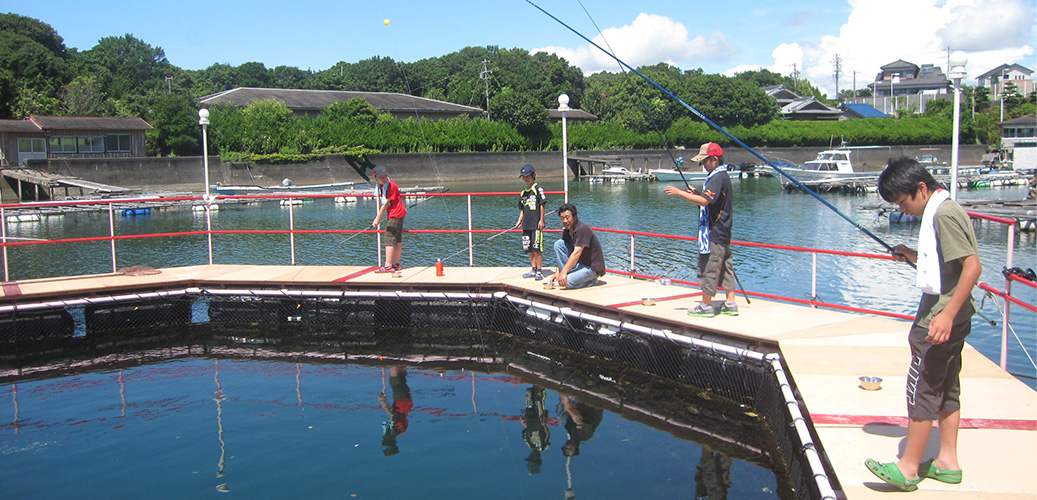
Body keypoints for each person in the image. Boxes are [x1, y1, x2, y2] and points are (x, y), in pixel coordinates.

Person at [864, 157, 981, 492]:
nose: (905, 210)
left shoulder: (944, 214)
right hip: (951, 317)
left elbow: (972, 267)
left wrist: (945, 315)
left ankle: (909, 467)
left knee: (922, 390)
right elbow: (948, 265)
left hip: (939, 321)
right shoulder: (944, 209)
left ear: (921, 188)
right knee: (946, 390)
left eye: (903, 202)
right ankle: (946, 462)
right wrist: (912, 255)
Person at [663, 142, 738, 318]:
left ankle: (706, 305)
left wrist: (679, 193)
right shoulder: (722, 176)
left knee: (708, 267)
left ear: (714, 160)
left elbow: (705, 202)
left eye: (704, 161)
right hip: (724, 231)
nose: (703, 165)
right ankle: (730, 302)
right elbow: (710, 201)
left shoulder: (716, 178)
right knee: (726, 266)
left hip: (714, 233)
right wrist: (696, 194)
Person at [550, 203, 605, 289]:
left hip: (591, 268)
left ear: (575, 217)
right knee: (559, 244)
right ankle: (570, 275)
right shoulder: (567, 231)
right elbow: (561, 254)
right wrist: (558, 272)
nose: (564, 221)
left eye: (567, 217)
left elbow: (577, 252)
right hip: (580, 264)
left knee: (567, 282)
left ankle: (591, 281)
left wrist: (564, 272)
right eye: (562, 218)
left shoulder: (583, 229)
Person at [371, 165, 407, 273]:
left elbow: (386, 204)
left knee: (390, 238)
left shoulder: (390, 185)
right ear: (376, 178)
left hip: (396, 213)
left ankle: (388, 265)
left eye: (385, 176)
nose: (384, 178)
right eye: (381, 177)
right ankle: (396, 264)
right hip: (397, 212)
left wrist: (377, 219)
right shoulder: (382, 185)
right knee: (397, 238)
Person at [514, 164, 547, 281]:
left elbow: (542, 204)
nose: (525, 179)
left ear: (533, 175)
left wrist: (541, 220)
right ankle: (533, 269)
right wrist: (519, 221)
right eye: (523, 177)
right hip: (526, 224)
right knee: (529, 248)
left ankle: (539, 271)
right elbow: (522, 209)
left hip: (536, 224)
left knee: (537, 248)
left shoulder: (538, 189)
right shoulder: (523, 192)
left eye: (527, 176)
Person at [379, 365, 413, 456]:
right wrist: (384, 403)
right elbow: (394, 415)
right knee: (394, 382)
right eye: (385, 440)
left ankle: (402, 363)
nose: (384, 438)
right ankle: (394, 363)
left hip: (404, 401)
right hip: (402, 401)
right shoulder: (398, 429)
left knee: (401, 378)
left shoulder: (395, 430)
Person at [557, 393, 603, 457]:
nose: (568, 446)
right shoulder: (585, 436)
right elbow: (579, 420)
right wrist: (568, 407)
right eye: (570, 448)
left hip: (577, 405)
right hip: (593, 404)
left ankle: (564, 395)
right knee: (572, 418)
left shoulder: (568, 428)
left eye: (566, 447)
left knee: (561, 419)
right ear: (576, 447)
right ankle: (566, 398)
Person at [520, 385, 550, 474]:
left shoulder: (528, 443)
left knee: (529, 393)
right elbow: (547, 435)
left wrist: (523, 422)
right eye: (533, 458)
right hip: (538, 419)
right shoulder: (543, 447)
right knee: (538, 398)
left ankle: (534, 383)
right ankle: (541, 385)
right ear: (538, 458)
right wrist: (544, 425)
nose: (531, 456)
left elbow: (527, 430)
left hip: (529, 417)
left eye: (530, 457)